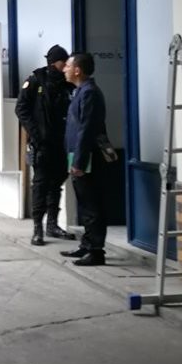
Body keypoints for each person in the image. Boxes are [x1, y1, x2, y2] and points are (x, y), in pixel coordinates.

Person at [15, 44, 76, 246]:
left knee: (56, 184)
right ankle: (37, 229)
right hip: (42, 144)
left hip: (62, 144)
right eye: (63, 61)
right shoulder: (35, 81)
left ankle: (52, 225)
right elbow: (21, 109)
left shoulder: (68, 84)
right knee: (40, 185)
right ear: (54, 62)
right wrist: (35, 132)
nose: (66, 64)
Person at [61, 52, 109, 266]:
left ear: (77, 70)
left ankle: (96, 251)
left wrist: (79, 162)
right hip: (77, 155)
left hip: (86, 157)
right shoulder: (80, 91)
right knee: (84, 204)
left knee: (92, 205)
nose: (64, 69)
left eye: (68, 66)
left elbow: (86, 131)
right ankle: (87, 245)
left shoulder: (89, 93)